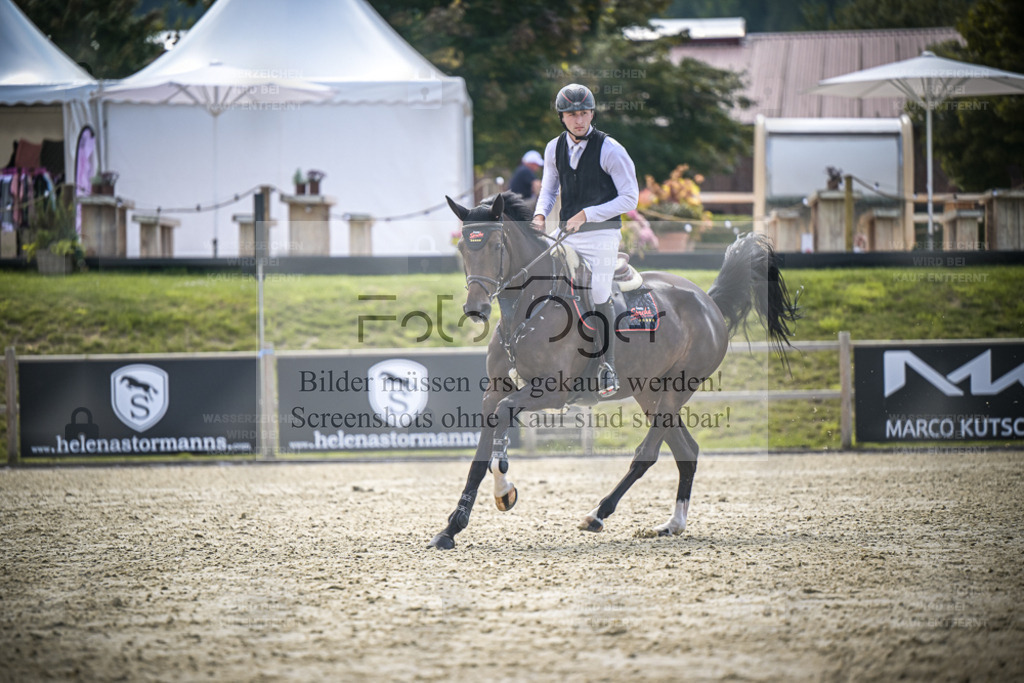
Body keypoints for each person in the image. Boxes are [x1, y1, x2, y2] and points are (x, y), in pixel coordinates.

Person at [531, 83, 639, 398]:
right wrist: (539, 216)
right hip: (568, 233)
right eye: (572, 115)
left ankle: (608, 367)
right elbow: (550, 190)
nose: (579, 120)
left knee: (598, 290)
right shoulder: (554, 148)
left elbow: (630, 198)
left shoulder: (611, 149)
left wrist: (587, 214)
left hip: (602, 234)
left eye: (584, 113)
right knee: (536, 273)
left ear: (591, 113)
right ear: (562, 118)